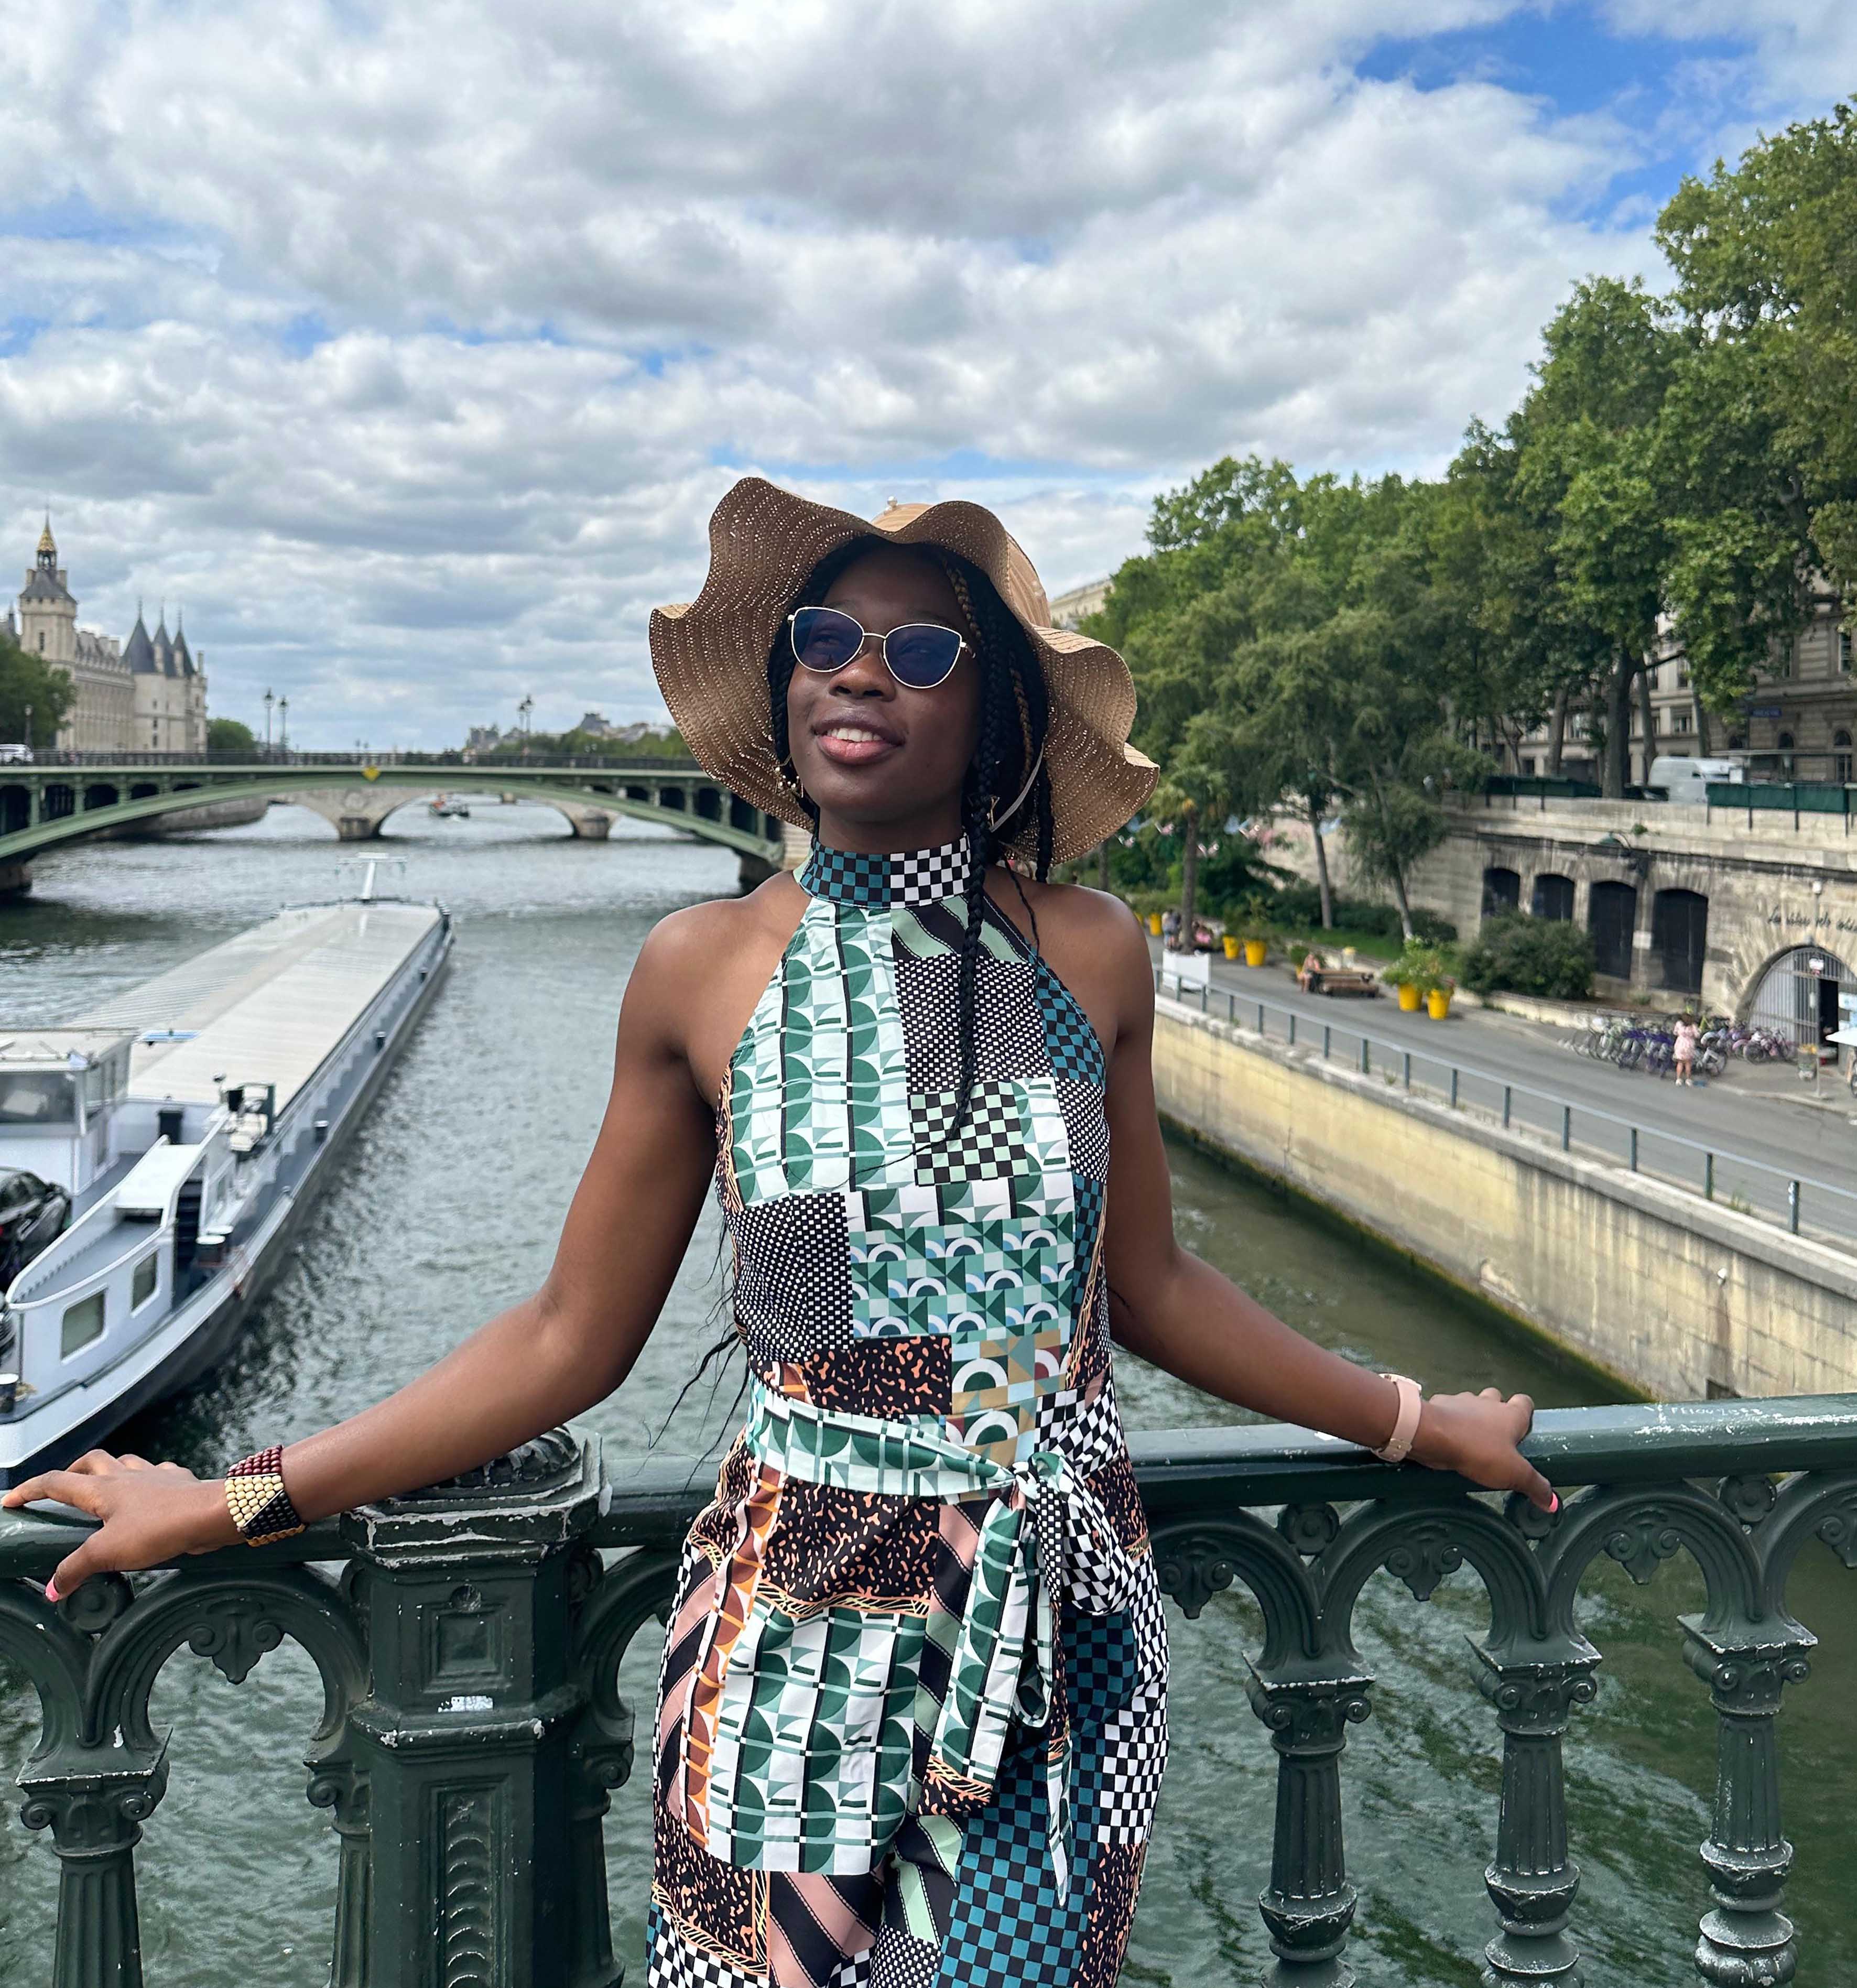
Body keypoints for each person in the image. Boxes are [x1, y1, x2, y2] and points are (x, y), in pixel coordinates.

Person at [2, 481, 1554, 1988]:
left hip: (1057, 1639)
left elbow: (1149, 1286)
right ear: (784, 683)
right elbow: (567, 1335)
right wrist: (233, 1496)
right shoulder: (703, 966)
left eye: (921, 648)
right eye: (825, 637)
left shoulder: (1089, 950)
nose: (859, 670)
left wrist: (1416, 1419)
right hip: (796, 1633)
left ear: (995, 715)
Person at [1673, 1014, 1698, 1087]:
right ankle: (1688, 1080)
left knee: (1680, 1063)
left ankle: (1678, 1079)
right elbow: (1697, 1035)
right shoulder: (1693, 1026)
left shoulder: (1679, 1024)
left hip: (1680, 1044)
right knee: (1688, 1063)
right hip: (1689, 1045)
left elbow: (1675, 1032)